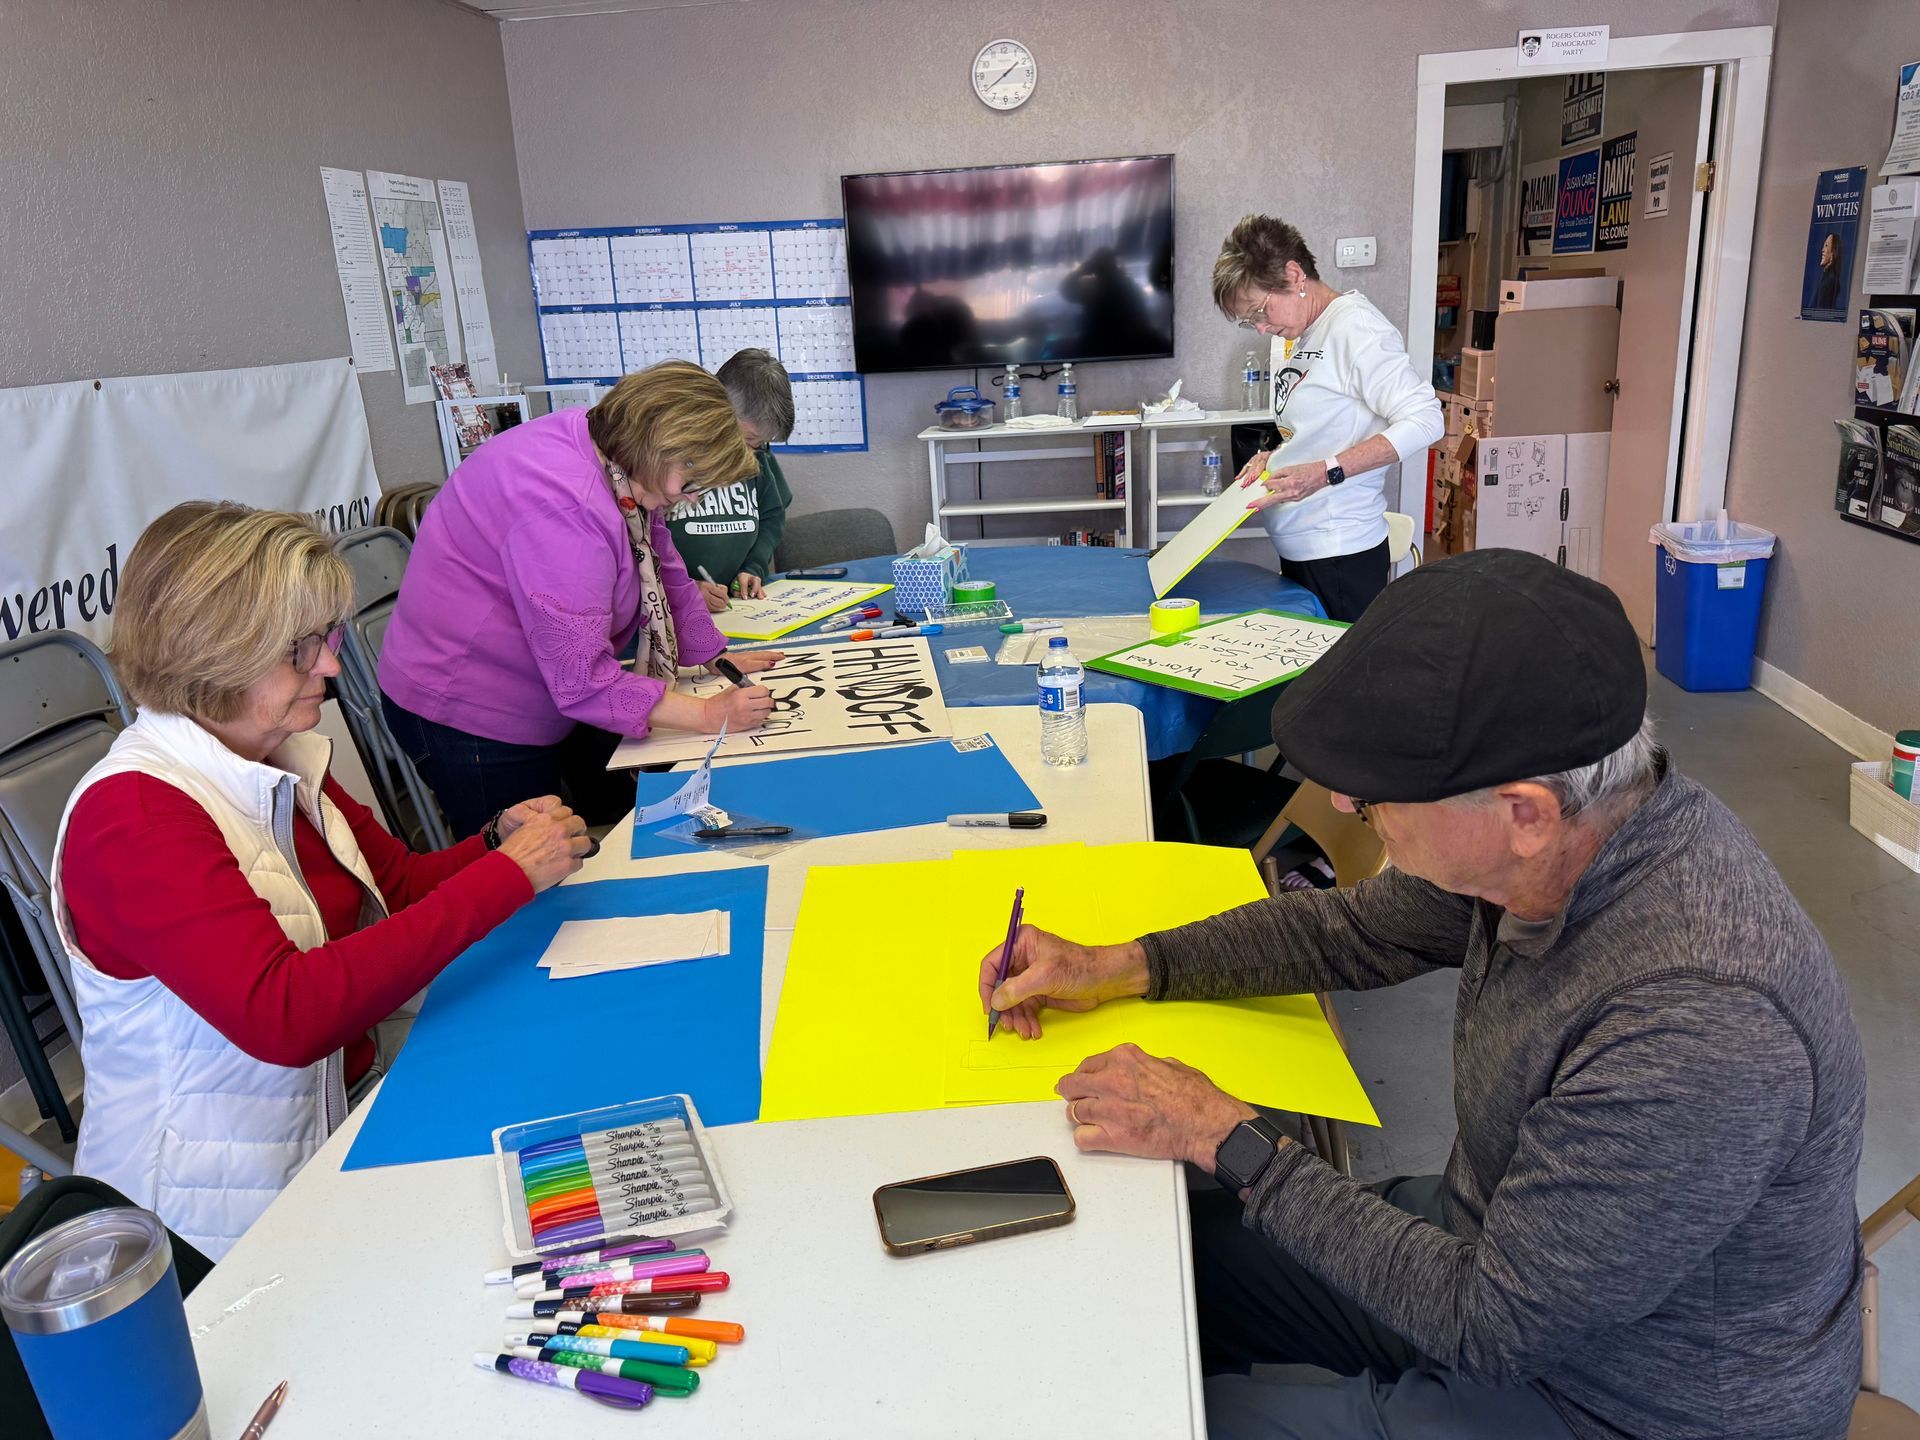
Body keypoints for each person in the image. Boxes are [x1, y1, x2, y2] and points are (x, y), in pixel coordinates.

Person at [979, 550, 1864, 1440]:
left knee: (1164, 1422)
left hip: (1629, 1400)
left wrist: (1225, 1136)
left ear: (1523, 813)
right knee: (1153, 1259)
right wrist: (1119, 964)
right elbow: (1349, 930)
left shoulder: (1696, 1026)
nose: (1342, 800)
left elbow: (1493, 1327)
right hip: (1502, 1253)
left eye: (1372, 799)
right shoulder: (1567, 831)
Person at [51, 503, 590, 1260]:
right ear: (217, 653)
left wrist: (496, 842)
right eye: (301, 649)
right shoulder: (134, 817)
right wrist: (505, 877)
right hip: (208, 1227)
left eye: (326, 640)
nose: (332, 666)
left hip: (330, 1127)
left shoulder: (276, 751)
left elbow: (396, 887)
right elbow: (286, 1015)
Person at [380, 361, 784, 836]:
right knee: (529, 863)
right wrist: (706, 714)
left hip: (545, 687)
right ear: (659, 446)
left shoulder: (613, 453)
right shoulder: (566, 506)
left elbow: (660, 558)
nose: (691, 500)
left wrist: (714, 655)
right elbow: (583, 681)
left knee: (611, 810)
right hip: (470, 710)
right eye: (690, 484)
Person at [1213, 215, 1443, 622]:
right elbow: (1322, 425)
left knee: (1340, 682)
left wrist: (1326, 472)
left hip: (1340, 554)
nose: (1262, 328)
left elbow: (1426, 418)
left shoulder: (1356, 328)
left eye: (1260, 311)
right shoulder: (1306, 333)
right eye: (1251, 322)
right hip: (1305, 551)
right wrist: (1276, 456)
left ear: (1295, 274)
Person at [667, 348, 796, 612]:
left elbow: (772, 514)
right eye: (748, 440)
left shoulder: (759, 456)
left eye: (760, 445)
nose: (751, 453)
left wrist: (754, 566)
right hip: (671, 609)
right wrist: (682, 588)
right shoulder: (667, 458)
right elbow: (638, 543)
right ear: (717, 408)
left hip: (735, 606)